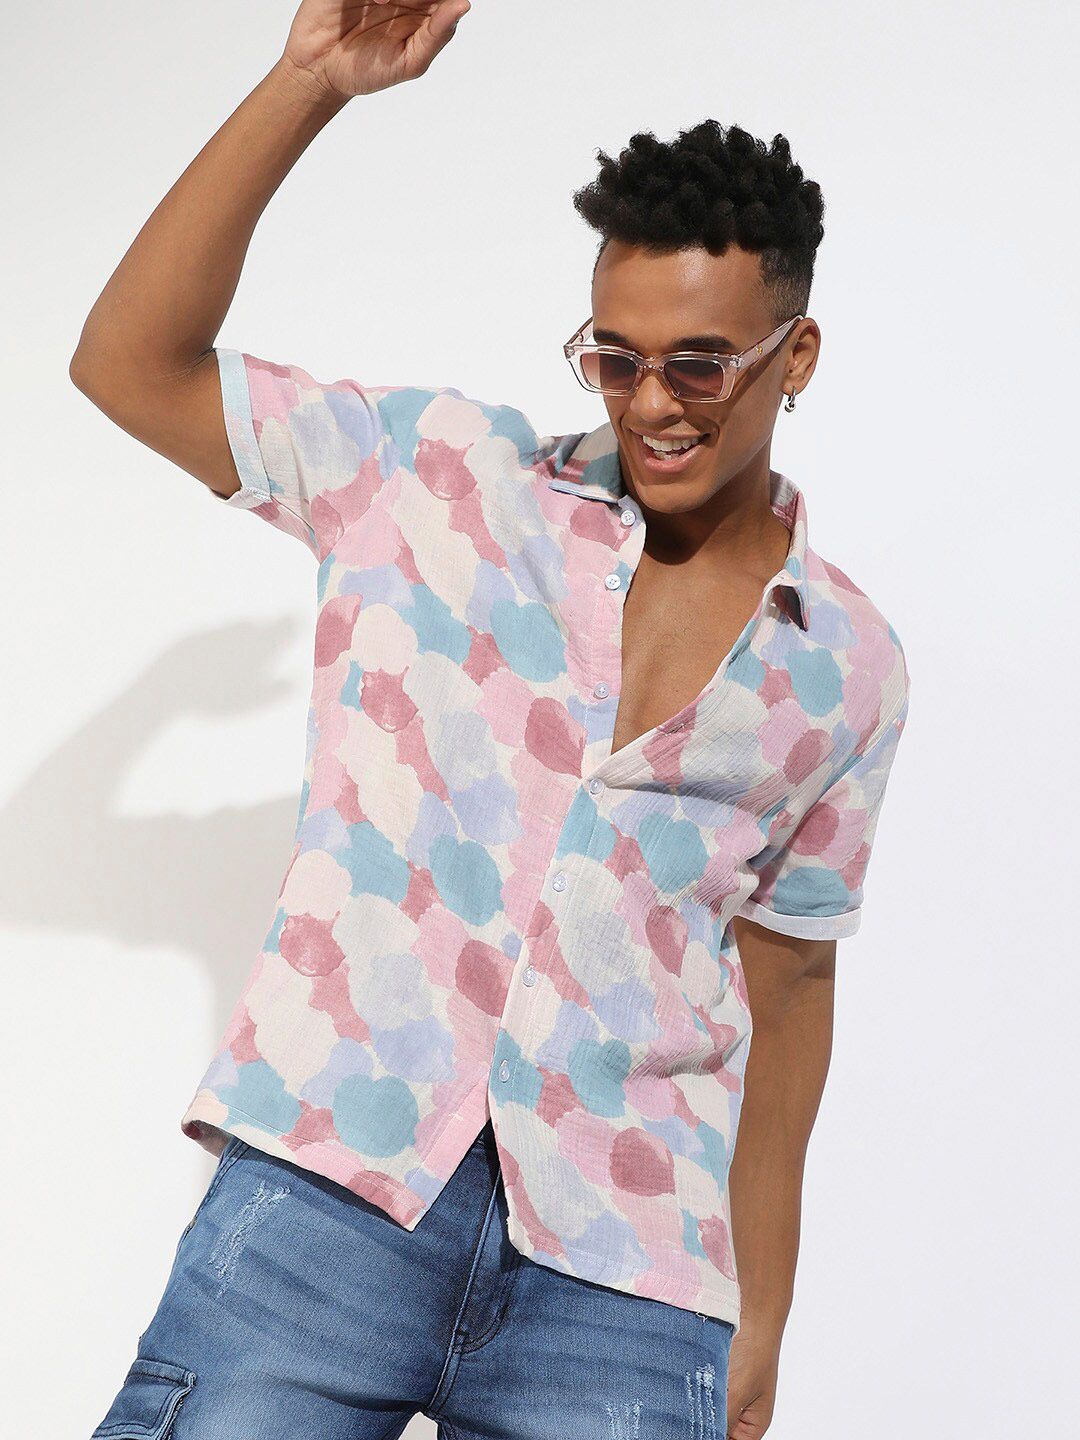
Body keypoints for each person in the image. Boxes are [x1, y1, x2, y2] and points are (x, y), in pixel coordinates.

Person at [70, 3, 911, 1437]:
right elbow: (129, 363)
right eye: (617, 358)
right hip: (334, 1195)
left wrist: (760, 1308)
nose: (653, 404)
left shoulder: (846, 664)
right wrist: (308, 84)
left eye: (700, 364)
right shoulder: (436, 479)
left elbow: (789, 991)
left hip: (627, 1280)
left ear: (798, 354)